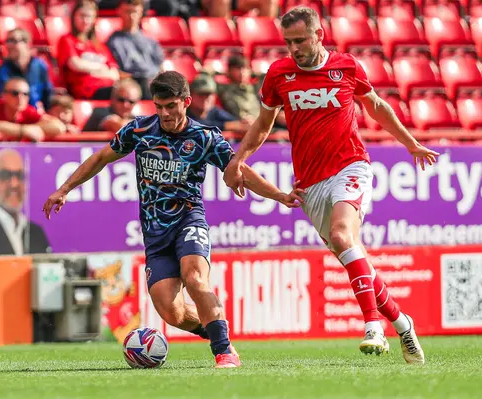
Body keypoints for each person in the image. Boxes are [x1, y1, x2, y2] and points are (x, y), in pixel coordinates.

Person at [223, 7, 439, 364]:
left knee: (342, 235)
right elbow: (263, 124)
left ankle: (373, 326)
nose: (294, 48)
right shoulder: (279, 74)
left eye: (300, 40)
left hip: (350, 166)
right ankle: (403, 323)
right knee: (355, 259)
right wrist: (239, 158)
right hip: (310, 183)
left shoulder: (346, 66)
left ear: (319, 34)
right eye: (288, 42)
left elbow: (377, 107)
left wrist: (410, 142)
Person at [43, 71, 302, 368]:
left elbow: (239, 170)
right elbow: (101, 157)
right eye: (159, 106)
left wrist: (280, 195)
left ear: (186, 102)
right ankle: (216, 327)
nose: (165, 113)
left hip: (189, 220)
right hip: (155, 234)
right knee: (171, 312)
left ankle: (224, 351)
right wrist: (64, 189)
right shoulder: (139, 131)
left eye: (171, 106)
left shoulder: (204, 137)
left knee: (194, 277)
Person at [57, 0, 120, 100]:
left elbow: (115, 74)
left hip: (109, 87)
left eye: (89, 17)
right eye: (82, 15)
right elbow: (75, 64)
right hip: (86, 91)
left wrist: (90, 70)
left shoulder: (99, 45)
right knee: (120, 94)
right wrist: (101, 68)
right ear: (74, 16)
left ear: (94, 19)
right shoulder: (67, 40)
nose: (85, 21)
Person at [106, 0, 163, 100]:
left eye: (134, 12)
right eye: (127, 11)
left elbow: (160, 66)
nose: (131, 16)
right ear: (119, 11)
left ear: (141, 12)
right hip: (133, 83)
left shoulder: (150, 40)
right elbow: (116, 71)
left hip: (153, 81)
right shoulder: (113, 41)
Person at [0, 77, 66, 141]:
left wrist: (30, 128)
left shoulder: (27, 110)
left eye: (25, 94)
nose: (20, 98)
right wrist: (23, 130)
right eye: (15, 93)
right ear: (3, 95)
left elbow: (59, 127)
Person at [0, 28, 53, 112]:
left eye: (13, 40)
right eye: (7, 41)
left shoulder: (39, 66)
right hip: (14, 117)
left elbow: (47, 94)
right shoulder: (2, 70)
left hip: (36, 115)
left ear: (27, 44)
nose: (9, 45)